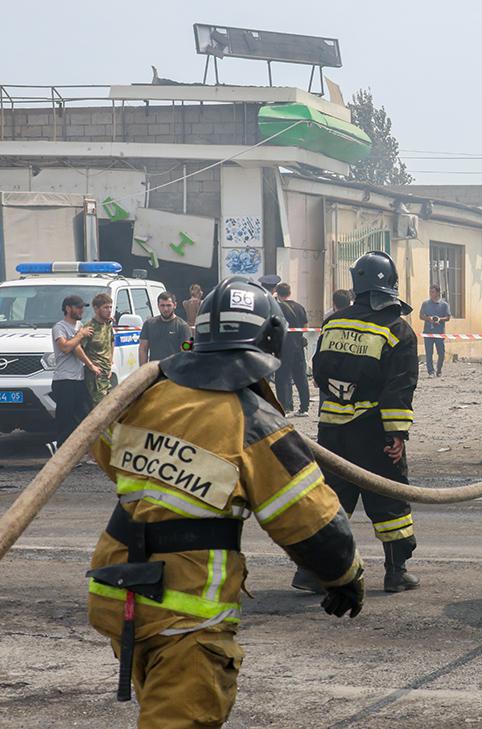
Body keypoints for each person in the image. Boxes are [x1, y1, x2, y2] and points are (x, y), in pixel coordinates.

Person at [86, 276, 364, 728]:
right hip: (186, 611)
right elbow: (311, 523)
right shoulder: (255, 422)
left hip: (117, 591)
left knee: (156, 704)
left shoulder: (147, 395)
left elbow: (106, 455)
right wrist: (344, 576)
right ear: (271, 341)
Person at [296, 251, 421, 594]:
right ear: (391, 285)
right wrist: (397, 434)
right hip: (373, 431)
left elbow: (319, 370)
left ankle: (310, 571)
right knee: (389, 500)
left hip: (332, 431)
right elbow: (400, 388)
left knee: (332, 500)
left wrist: (343, 396)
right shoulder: (397, 330)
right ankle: (396, 572)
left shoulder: (334, 323)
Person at [48, 295, 96, 453]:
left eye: (83, 307)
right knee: (65, 418)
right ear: (68, 308)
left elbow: (77, 349)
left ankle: (67, 447)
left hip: (78, 378)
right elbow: (66, 347)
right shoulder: (59, 327)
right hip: (64, 379)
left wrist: (90, 365)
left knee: (85, 412)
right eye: (78, 307)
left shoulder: (79, 326)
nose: (82, 310)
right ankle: (59, 447)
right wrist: (81, 335)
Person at [274, 282, 310, 417]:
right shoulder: (300, 307)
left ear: (278, 293)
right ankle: (304, 407)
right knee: (301, 377)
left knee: (282, 377)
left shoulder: (278, 307)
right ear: (290, 292)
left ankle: (286, 407)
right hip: (299, 346)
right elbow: (306, 326)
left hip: (284, 347)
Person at [138, 292, 192, 364]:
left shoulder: (183, 326)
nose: (165, 309)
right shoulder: (148, 324)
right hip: (155, 371)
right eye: (162, 305)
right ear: (158, 306)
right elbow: (143, 349)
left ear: (175, 305)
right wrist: (144, 371)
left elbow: (186, 353)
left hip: (174, 372)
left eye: (169, 305)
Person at [82, 292, 115, 406]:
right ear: (96, 309)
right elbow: (78, 349)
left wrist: (110, 362)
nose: (109, 310)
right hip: (95, 376)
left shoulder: (108, 324)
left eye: (110, 307)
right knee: (99, 409)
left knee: (111, 406)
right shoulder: (89, 328)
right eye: (105, 307)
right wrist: (91, 365)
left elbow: (111, 341)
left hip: (107, 373)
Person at [419, 283, 451, 377]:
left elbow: (448, 317)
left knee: (441, 353)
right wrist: (428, 319)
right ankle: (431, 372)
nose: (430, 293)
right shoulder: (425, 304)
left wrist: (439, 319)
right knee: (429, 353)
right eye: (430, 291)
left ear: (438, 293)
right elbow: (421, 316)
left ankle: (439, 369)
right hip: (428, 333)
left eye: (432, 292)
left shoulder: (444, 305)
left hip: (439, 333)